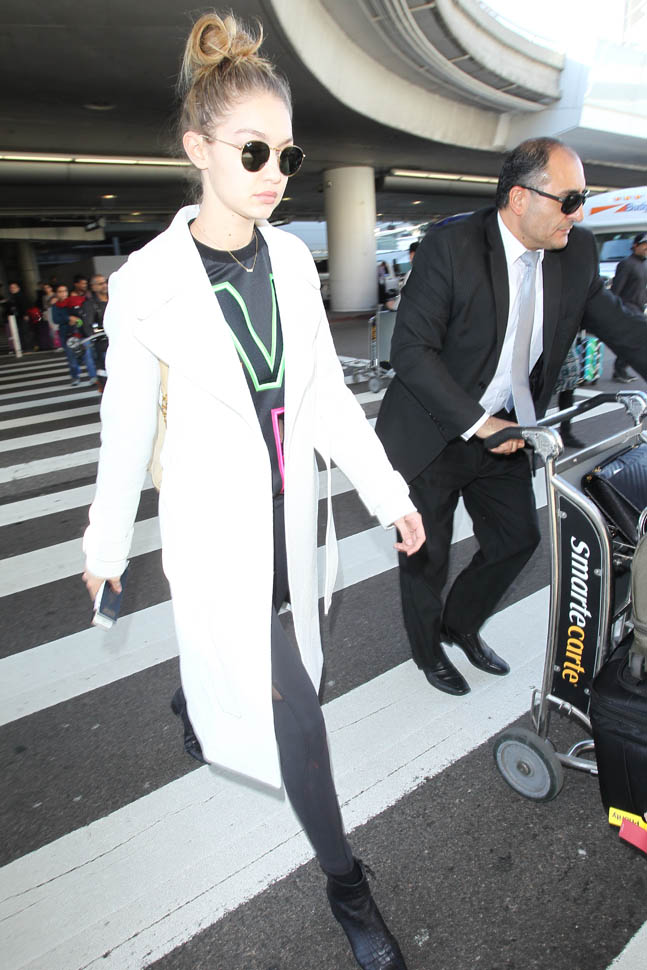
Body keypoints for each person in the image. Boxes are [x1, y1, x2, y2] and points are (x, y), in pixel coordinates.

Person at [81, 13, 424, 970]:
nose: (276, 171)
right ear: (199, 149)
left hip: (290, 521)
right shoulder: (144, 284)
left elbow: (324, 399)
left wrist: (388, 493)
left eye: (287, 153)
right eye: (253, 150)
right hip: (214, 534)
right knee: (296, 711)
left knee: (267, 666)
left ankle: (196, 701)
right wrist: (106, 549)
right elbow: (124, 431)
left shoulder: (289, 262)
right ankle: (346, 883)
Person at [376, 136, 647, 697]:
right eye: (570, 200)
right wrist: (479, 424)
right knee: (426, 557)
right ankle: (427, 652)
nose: (579, 213)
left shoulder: (575, 252)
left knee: (516, 539)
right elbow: (411, 352)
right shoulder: (452, 246)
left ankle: (459, 625)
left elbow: (624, 328)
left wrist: (496, 426)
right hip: (432, 429)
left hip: (507, 429)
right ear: (520, 198)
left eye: (582, 199)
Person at [610, 231, 647, 382]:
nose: (646, 247)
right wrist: (614, 310)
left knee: (633, 341)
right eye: (644, 244)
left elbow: (641, 288)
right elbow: (616, 289)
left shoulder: (643, 264)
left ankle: (620, 370)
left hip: (639, 308)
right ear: (635, 245)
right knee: (636, 339)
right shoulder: (626, 263)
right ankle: (619, 370)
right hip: (627, 308)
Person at [52, 284, 97, 386]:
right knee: (72, 357)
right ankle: (75, 377)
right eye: (60, 291)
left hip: (81, 332)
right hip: (67, 334)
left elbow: (84, 314)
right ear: (56, 293)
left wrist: (78, 319)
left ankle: (93, 377)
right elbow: (56, 319)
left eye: (65, 291)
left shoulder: (74, 301)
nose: (63, 294)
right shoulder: (56, 306)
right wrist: (68, 319)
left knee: (88, 356)